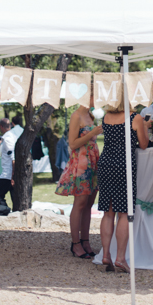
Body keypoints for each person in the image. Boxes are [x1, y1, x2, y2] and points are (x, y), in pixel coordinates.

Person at [98, 98, 148, 273]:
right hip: (123, 165)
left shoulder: (106, 117)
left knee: (108, 212)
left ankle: (105, 255)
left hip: (105, 163)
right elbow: (143, 144)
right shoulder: (134, 117)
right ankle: (120, 257)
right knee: (124, 212)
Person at [56, 100, 102, 259]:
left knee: (89, 203)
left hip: (93, 159)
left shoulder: (90, 115)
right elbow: (73, 143)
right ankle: (75, 243)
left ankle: (85, 240)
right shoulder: (76, 116)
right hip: (81, 160)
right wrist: (91, 133)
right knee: (80, 202)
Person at [0, 118, 16, 208]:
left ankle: (5, 212)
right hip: (8, 172)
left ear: (1, 126)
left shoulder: (7, 139)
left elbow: (13, 158)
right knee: (14, 197)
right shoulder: (12, 136)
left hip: (7, 173)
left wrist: (12, 177)